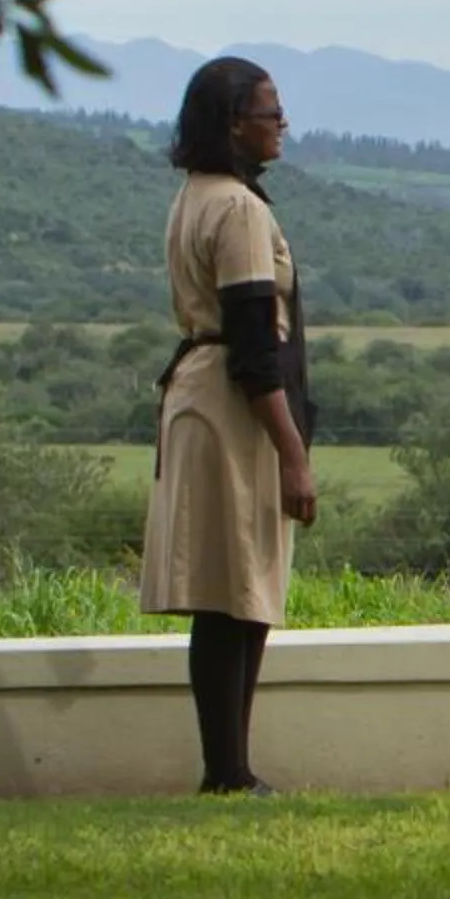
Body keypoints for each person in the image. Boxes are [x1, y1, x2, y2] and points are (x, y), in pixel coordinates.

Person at [141, 57, 317, 795]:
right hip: (233, 410)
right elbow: (253, 345)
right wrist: (292, 452)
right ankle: (228, 772)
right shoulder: (240, 211)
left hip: (202, 399)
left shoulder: (197, 196)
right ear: (233, 123)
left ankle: (230, 769)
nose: (281, 126)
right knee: (235, 593)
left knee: (233, 591)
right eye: (270, 113)